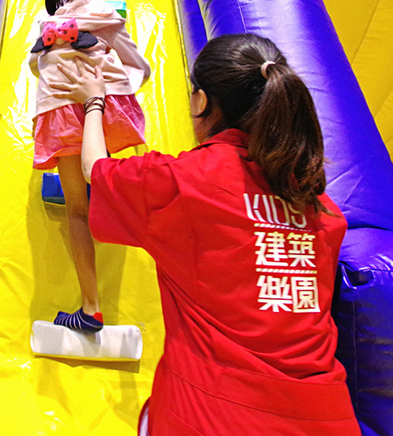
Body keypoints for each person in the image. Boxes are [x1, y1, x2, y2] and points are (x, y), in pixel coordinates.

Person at [51, 33, 359, 435]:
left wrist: (94, 100)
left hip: (211, 416)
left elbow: (95, 170)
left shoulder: (185, 183)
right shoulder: (320, 208)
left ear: (201, 102)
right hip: (328, 417)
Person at [29, 0, 151, 333]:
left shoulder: (46, 24)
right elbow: (139, 65)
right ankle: (110, 188)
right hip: (107, 109)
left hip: (59, 114)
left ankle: (91, 307)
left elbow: (36, 67)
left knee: (76, 211)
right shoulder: (106, 16)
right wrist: (123, 86)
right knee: (104, 168)